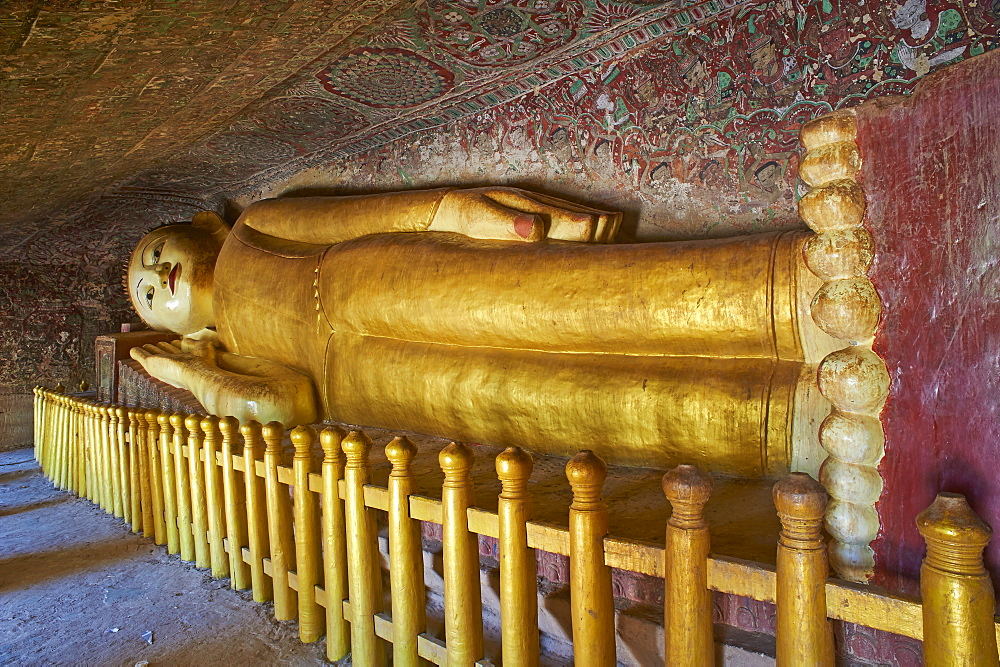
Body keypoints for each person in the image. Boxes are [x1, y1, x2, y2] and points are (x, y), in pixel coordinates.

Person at [128, 186, 818, 474]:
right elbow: (286, 408)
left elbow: (356, 217)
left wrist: (456, 211)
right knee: (551, 400)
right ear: (174, 326)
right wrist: (188, 371)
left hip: (372, 281)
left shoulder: (250, 231)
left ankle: (789, 292)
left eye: (157, 252)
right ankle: (788, 420)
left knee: (560, 302)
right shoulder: (232, 354)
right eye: (151, 295)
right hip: (364, 387)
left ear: (204, 227)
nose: (163, 276)